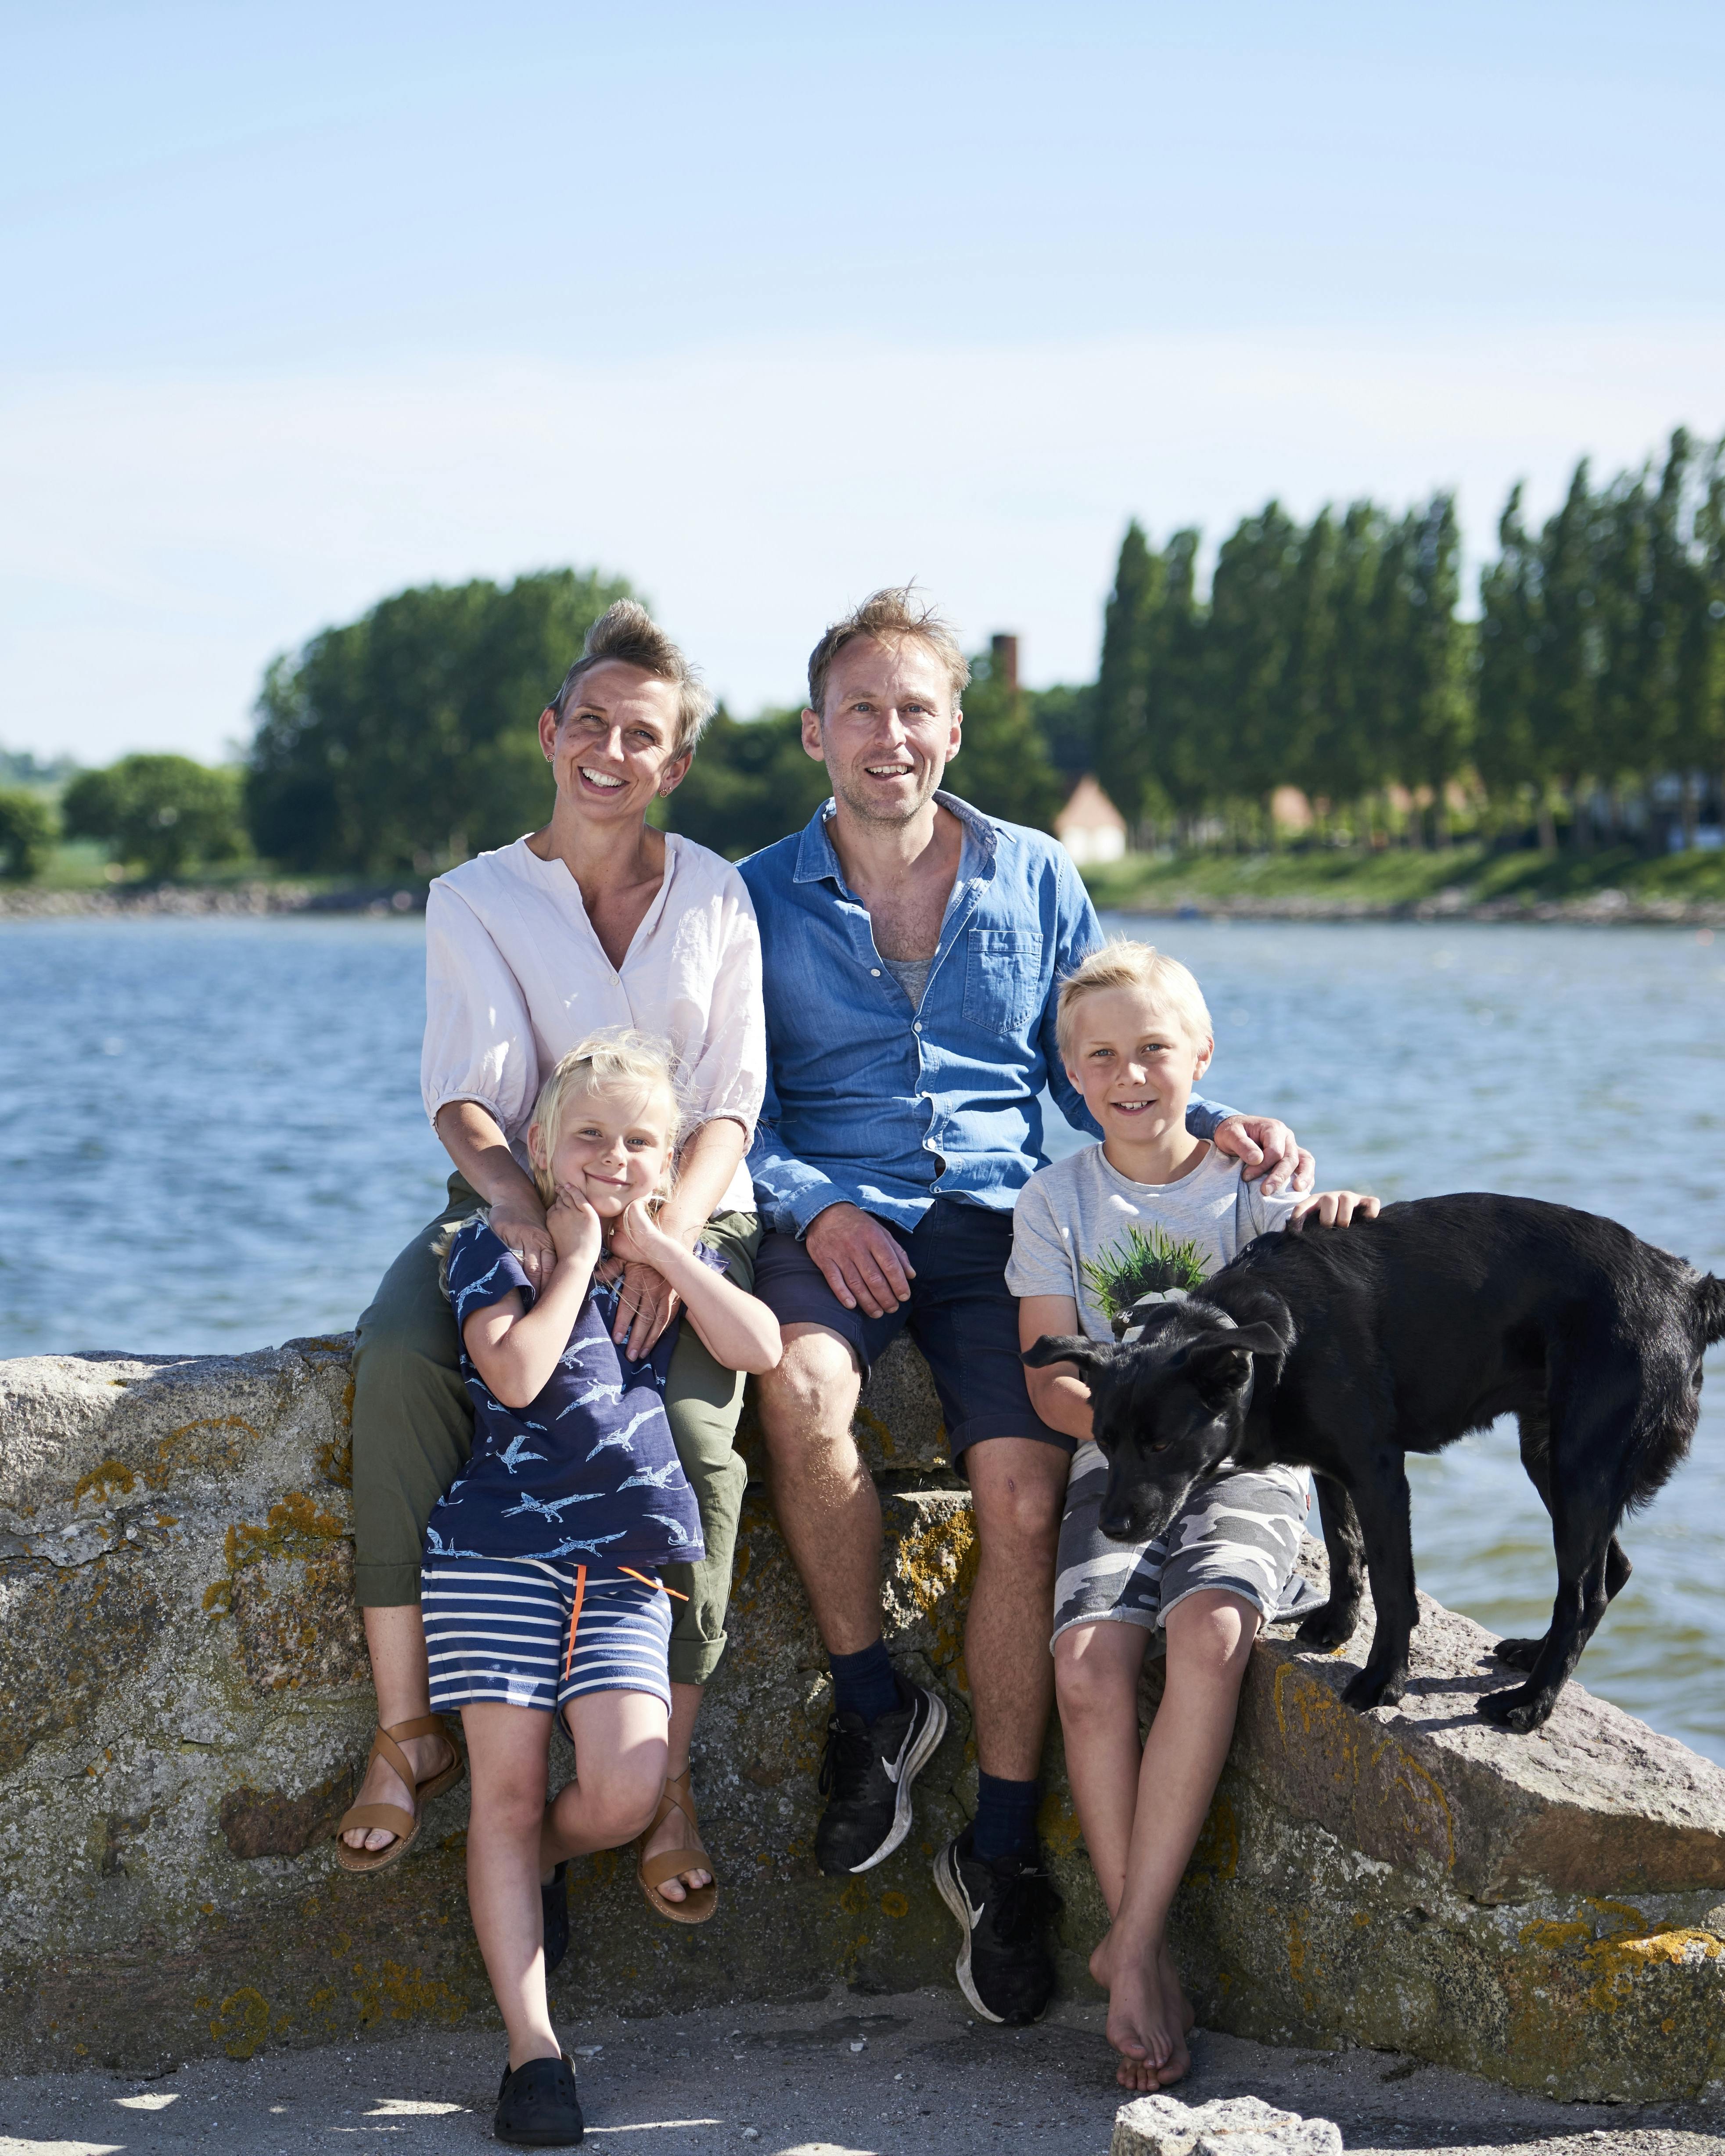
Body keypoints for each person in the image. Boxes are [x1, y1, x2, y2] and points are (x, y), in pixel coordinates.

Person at [738, 587, 1315, 2027]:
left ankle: (1001, 1852)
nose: (888, 735)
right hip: (838, 1219)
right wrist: (817, 1205)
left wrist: (1222, 1129)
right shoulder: (749, 896)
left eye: (913, 709)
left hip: (1007, 1225)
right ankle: (873, 1706)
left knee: (1021, 1490)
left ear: (954, 727)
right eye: (860, 710)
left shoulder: (1038, 871)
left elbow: (1093, 1064)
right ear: (815, 732)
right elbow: (731, 1109)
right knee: (801, 1392)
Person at [338, 603, 766, 1928]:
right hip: (515, 1197)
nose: (610, 752)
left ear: (674, 762)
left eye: (642, 735)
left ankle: (663, 1777)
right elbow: (465, 1099)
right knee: (400, 1356)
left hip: (690, 1211)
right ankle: (407, 1729)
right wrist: (531, 1218)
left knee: (699, 1438)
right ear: (550, 732)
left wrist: (665, 1240)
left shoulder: (716, 892)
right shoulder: (474, 897)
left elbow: (732, 1101)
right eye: (591, 723)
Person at [1010, 940, 1376, 2090]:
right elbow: (1049, 1384)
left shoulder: (1253, 1187)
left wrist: (1342, 1219)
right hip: (1119, 1465)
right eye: (1101, 1057)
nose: (1130, 1075)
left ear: (1202, 1056)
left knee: (1209, 1630)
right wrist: (1145, 1432)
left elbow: (1329, 1278)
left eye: (1154, 1049)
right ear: (1071, 1072)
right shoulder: (1054, 1199)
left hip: (1248, 1467)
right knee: (1087, 1664)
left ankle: (1127, 1949)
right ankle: (1145, 1951)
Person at [421, 1031, 780, 2145]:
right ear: (539, 1147)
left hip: (622, 1566)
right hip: (499, 1557)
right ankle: (534, 2048)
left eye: (639, 1143)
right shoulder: (500, 1250)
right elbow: (517, 1371)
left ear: (670, 1163)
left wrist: (663, 1250)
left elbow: (761, 1347)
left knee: (627, 1793)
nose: (613, 1158)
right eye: (589, 1136)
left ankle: (524, 1866)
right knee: (507, 1789)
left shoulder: (674, 1263)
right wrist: (575, 1257)